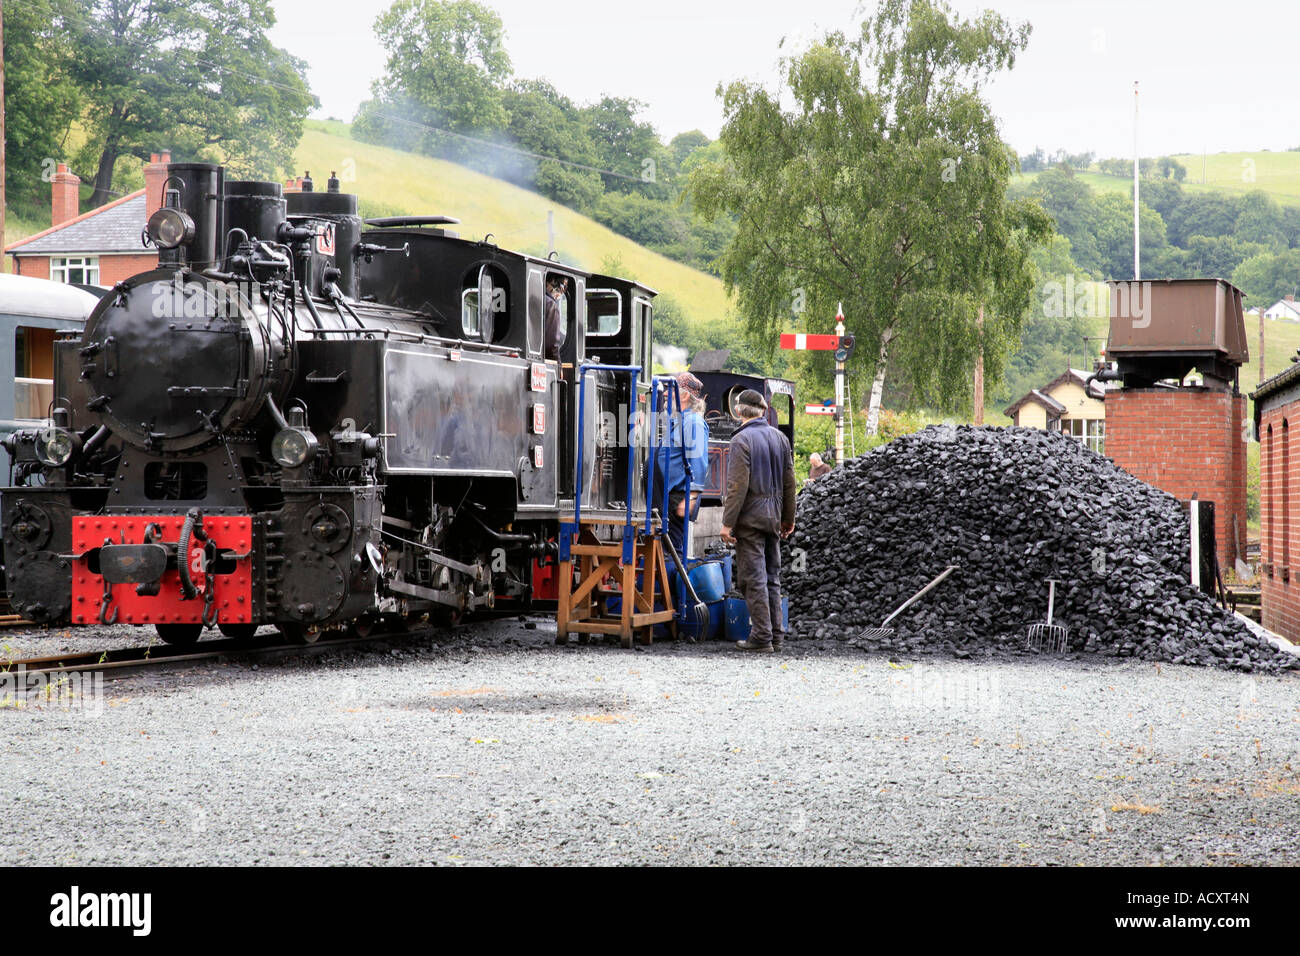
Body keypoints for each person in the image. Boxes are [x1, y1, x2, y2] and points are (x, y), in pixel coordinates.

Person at [720, 388, 797, 653]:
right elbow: (790, 483)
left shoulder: (741, 441)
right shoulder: (780, 438)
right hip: (774, 517)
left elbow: (737, 487)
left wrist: (727, 523)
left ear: (739, 410)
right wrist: (789, 518)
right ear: (762, 411)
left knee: (753, 579)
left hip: (750, 520)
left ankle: (761, 637)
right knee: (772, 577)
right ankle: (776, 636)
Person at [655, 371, 710, 556]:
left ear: (685, 395)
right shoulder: (680, 420)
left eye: (671, 390)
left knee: (671, 553)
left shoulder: (693, 422)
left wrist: (691, 498)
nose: (665, 394)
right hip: (667, 496)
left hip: (676, 497)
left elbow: (699, 463)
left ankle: (670, 585)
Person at [543, 277, 566, 360]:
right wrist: (558, 364)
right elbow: (551, 344)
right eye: (561, 287)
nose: (560, 292)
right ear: (551, 281)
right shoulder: (550, 304)